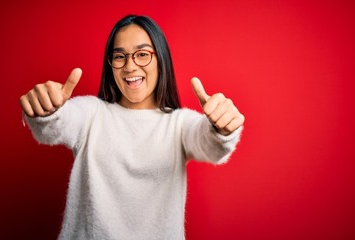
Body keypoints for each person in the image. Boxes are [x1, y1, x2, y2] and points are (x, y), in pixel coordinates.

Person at [20, 15, 245, 240]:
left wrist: (222, 128)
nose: (129, 66)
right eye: (120, 56)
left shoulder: (179, 124)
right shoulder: (92, 113)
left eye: (142, 54)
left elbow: (211, 145)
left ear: (161, 60)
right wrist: (46, 110)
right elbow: (56, 125)